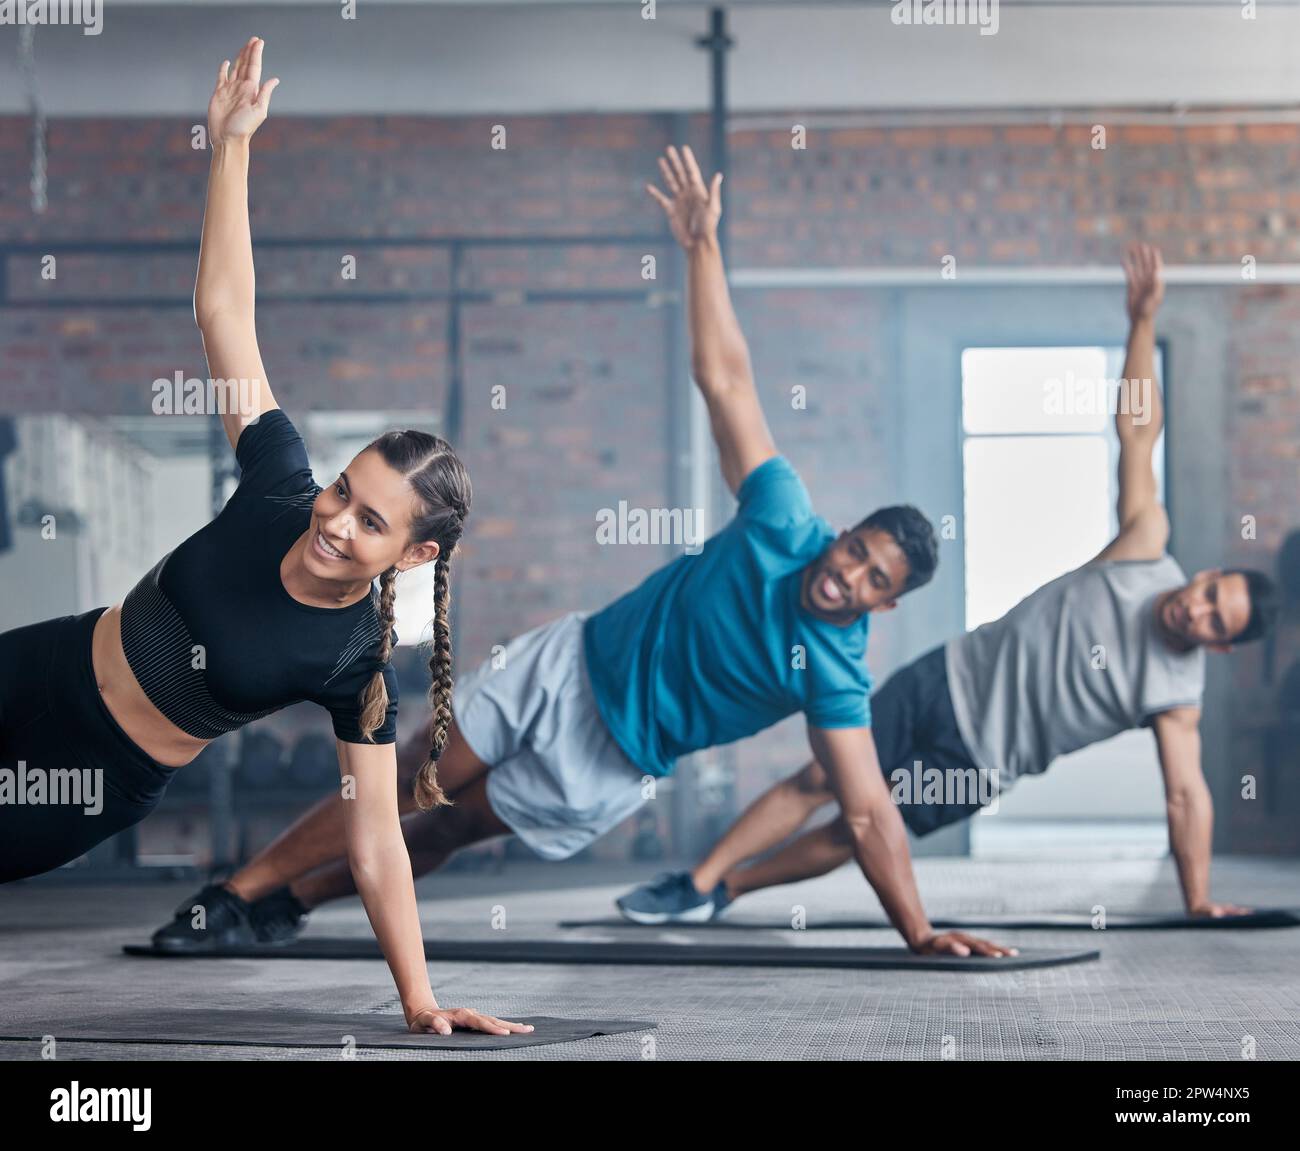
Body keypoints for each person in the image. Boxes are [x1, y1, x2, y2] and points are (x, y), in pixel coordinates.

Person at [152, 143, 1014, 961]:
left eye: (873, 579)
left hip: (615, 758)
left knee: (449, 826)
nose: (846, 575)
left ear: (885, 602)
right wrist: (702, 248)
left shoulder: (835, 670)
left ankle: (287, 905)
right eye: (857, 549)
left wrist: (919, 930)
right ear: (846, 531)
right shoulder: (785, 519)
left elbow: (865, 811)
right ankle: (234, 890)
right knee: (417, 772)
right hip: (570, 663)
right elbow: (727, 381)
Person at [0, 37, 529, 1038]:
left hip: (101, 770)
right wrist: (230, 146)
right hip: (46, 662)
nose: (333, 518)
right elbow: (224, 313)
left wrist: (417, 998)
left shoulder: (354, 665)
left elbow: (375, 838)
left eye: (370, 520)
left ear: (416, 555)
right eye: (343, 489)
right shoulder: (278, 479)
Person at [618, 243, 1280, 925]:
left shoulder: (1177, 693)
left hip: (982, 759)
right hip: (947, 677)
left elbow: (1185, 795)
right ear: (1205, 576)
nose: (1196, 613)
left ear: (1220, 646)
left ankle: (727, 891)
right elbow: (1137, 435)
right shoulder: (1146, 549)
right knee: (820, 777)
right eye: (1208, 595)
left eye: (1214, 623)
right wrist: (1142, 321)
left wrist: (1197, 898)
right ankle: (695, 881)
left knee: (860, 826)